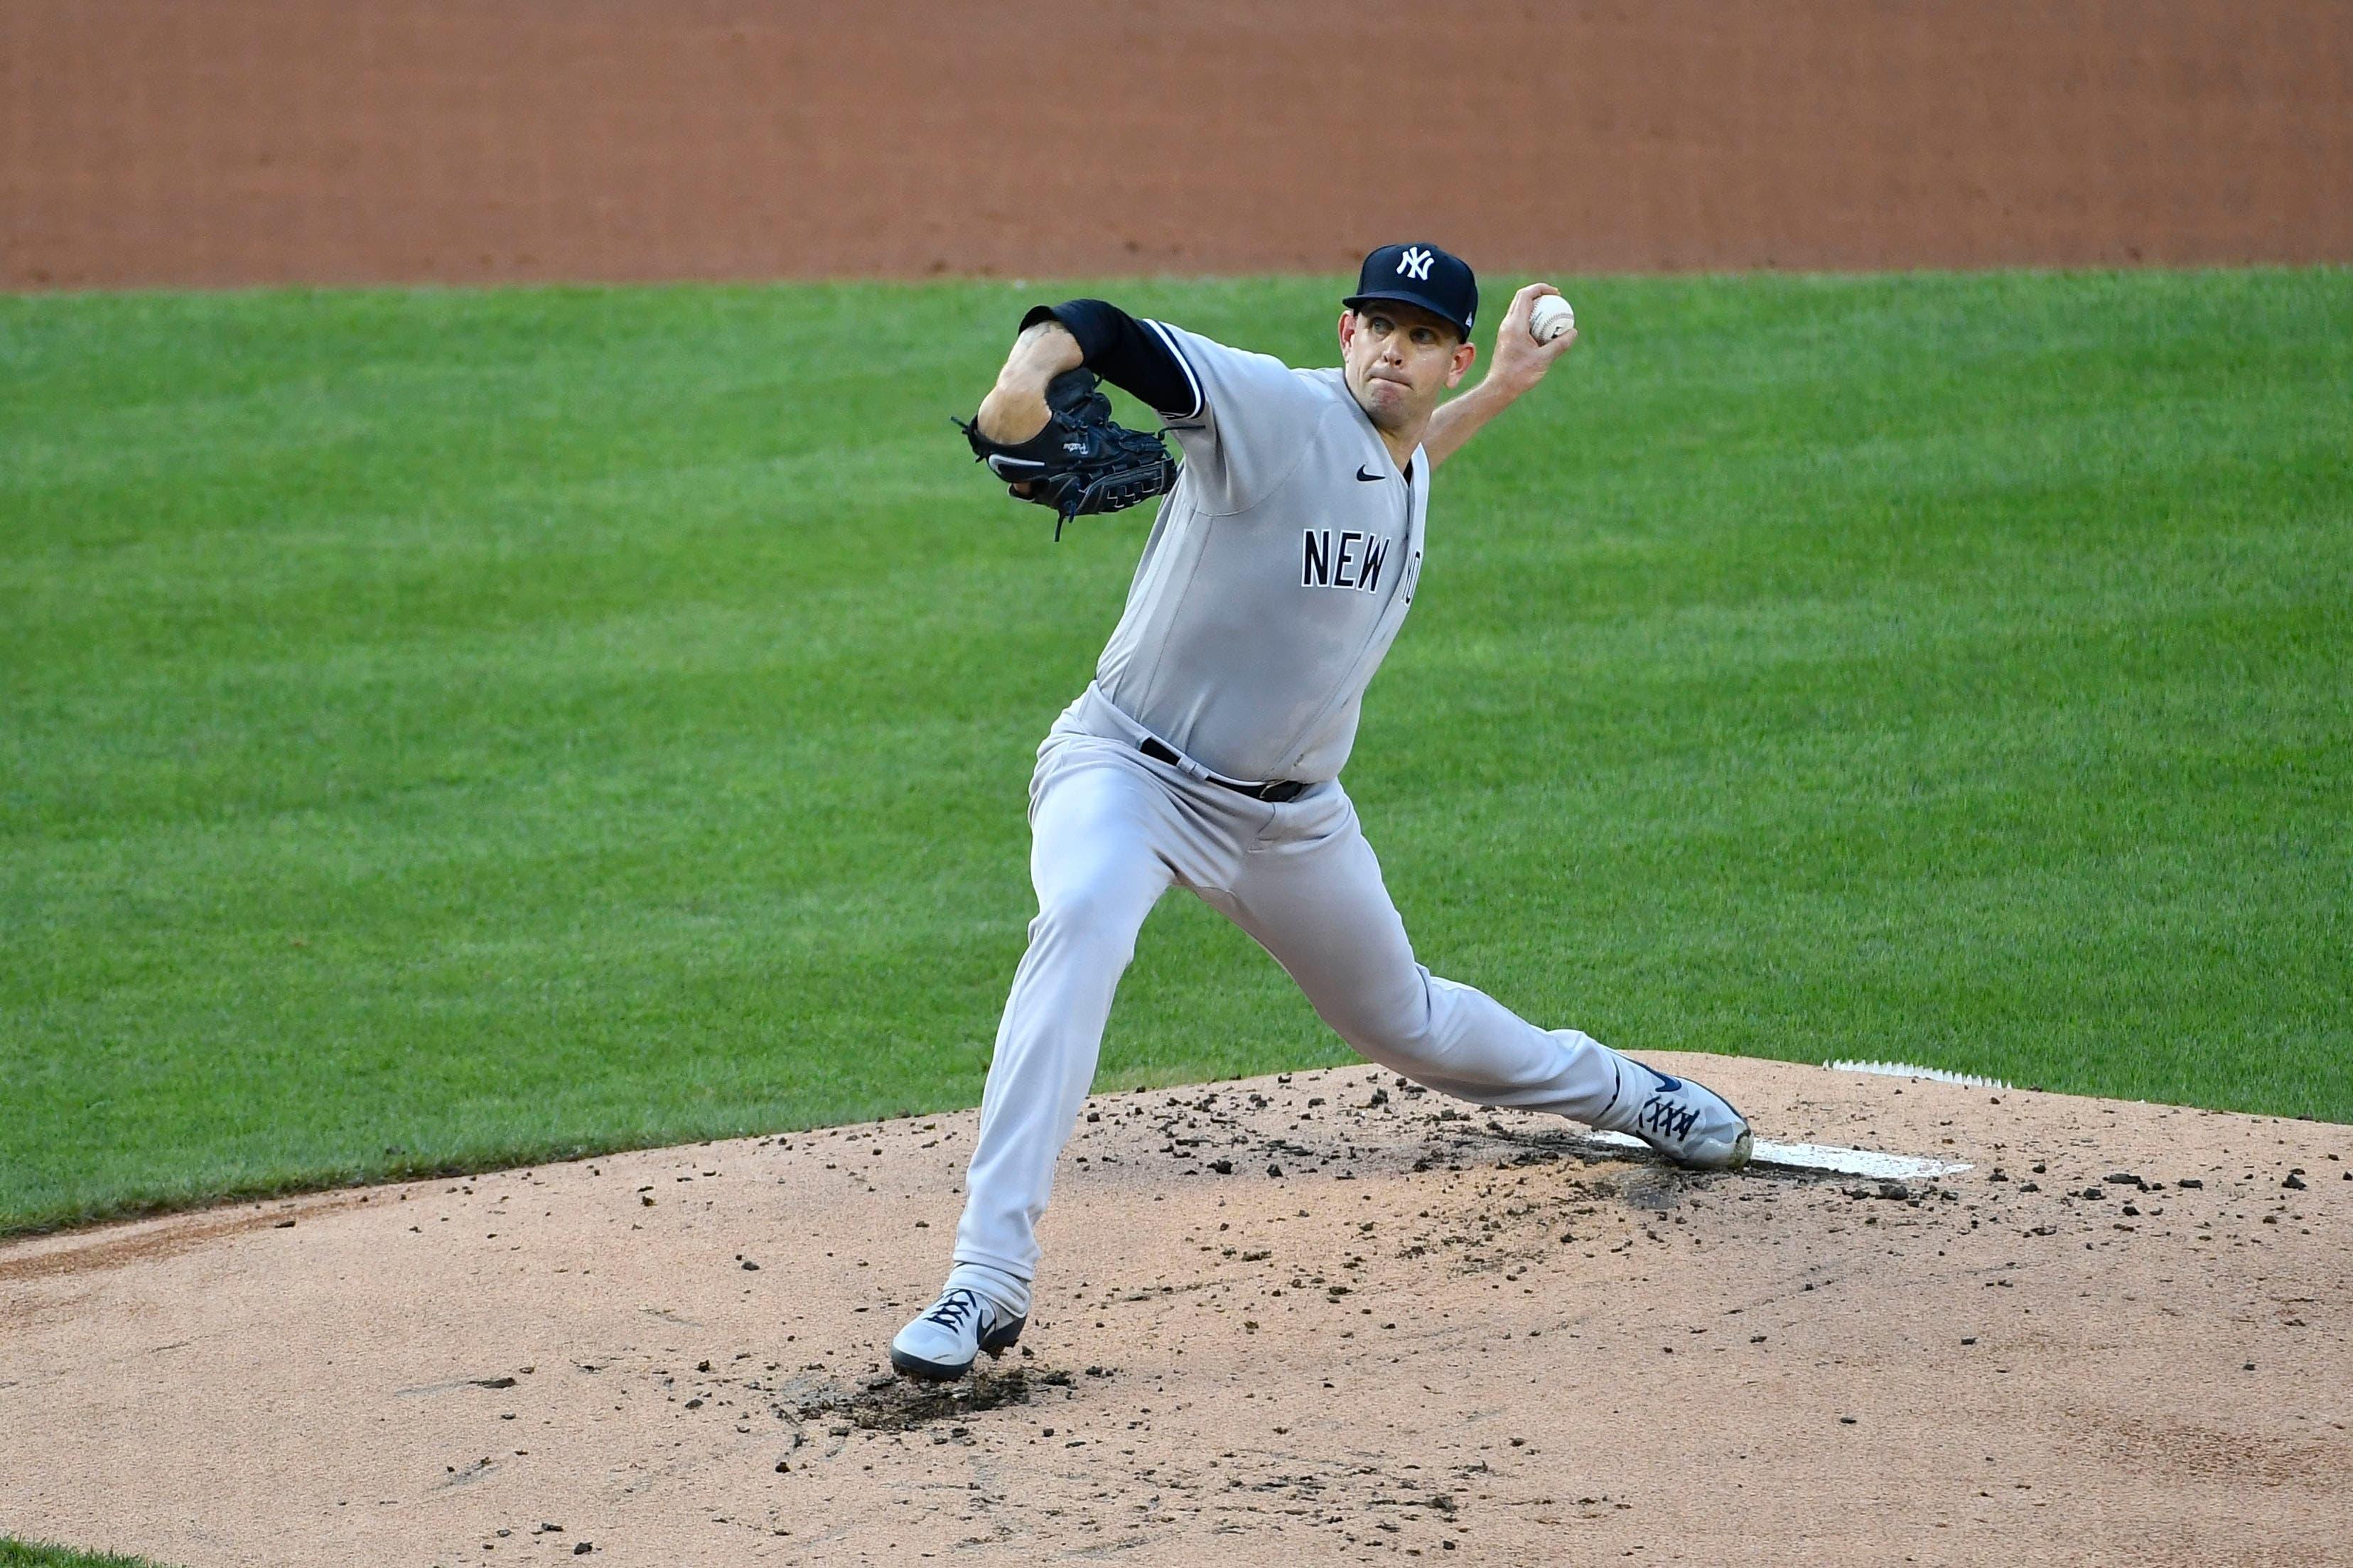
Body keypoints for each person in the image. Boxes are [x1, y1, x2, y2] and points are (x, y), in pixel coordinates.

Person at [890, 243, 1752, 1380]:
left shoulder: (1400, 454)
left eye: (1422, 336)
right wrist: (1020, 384)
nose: (1393, 349)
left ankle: (1632, 1095)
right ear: (1345, 332)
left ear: (1445, 354)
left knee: (1408, 1023)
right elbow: (1102, 325)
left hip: (1293, 823)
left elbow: (1403, 461)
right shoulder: (1273, 411)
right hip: (1130, 774)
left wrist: (1499, 390)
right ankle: (982, 1283)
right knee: (1084, 919)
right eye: (1377, 326)